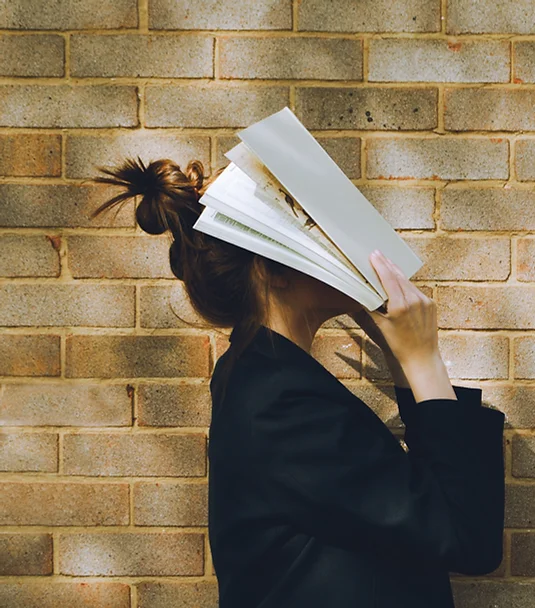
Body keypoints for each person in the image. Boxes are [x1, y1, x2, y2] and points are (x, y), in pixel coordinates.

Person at [89, 157, 506, 607]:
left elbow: (427, 515)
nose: (340, 243)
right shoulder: (279, 404)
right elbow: (467, 537)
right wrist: (423, 359)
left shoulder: (267, 380)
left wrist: (401, 355)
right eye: (313, 229)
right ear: (275, 269)